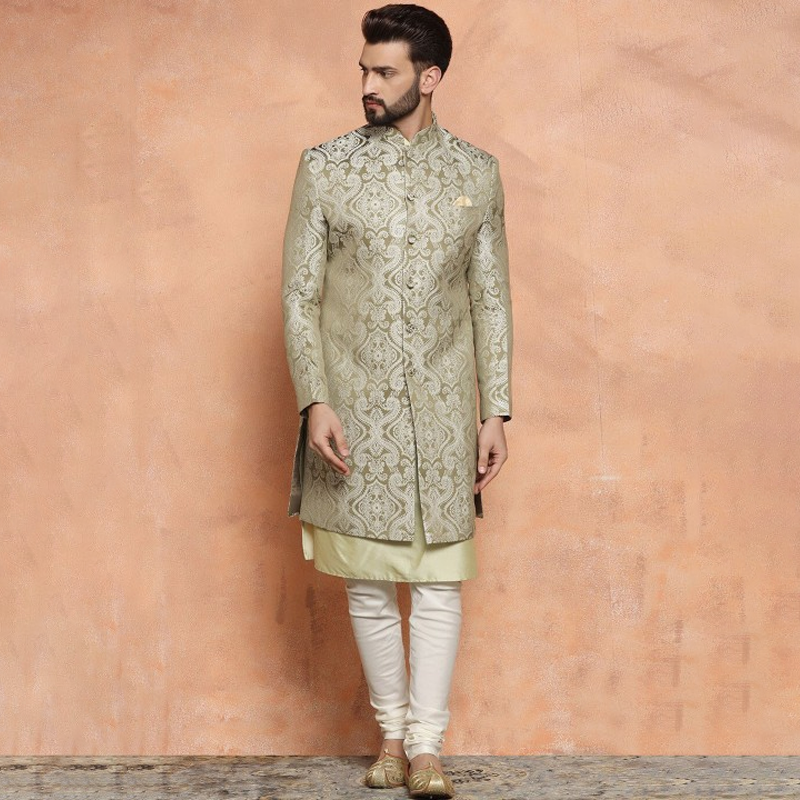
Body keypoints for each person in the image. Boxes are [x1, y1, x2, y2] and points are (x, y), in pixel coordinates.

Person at [281, 4, 512, 796]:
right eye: (365, 70)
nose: (368, 85)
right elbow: (299, 296)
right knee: (370, 579)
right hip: (353, 406)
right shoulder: (326, 167)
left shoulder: (476, 173)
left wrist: (496, 408)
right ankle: (390, 736)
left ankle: (427, 748)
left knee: (440, 580)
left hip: (445, 409)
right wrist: (316, 399)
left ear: (430, 77)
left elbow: (490, 300)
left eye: (385, 71)